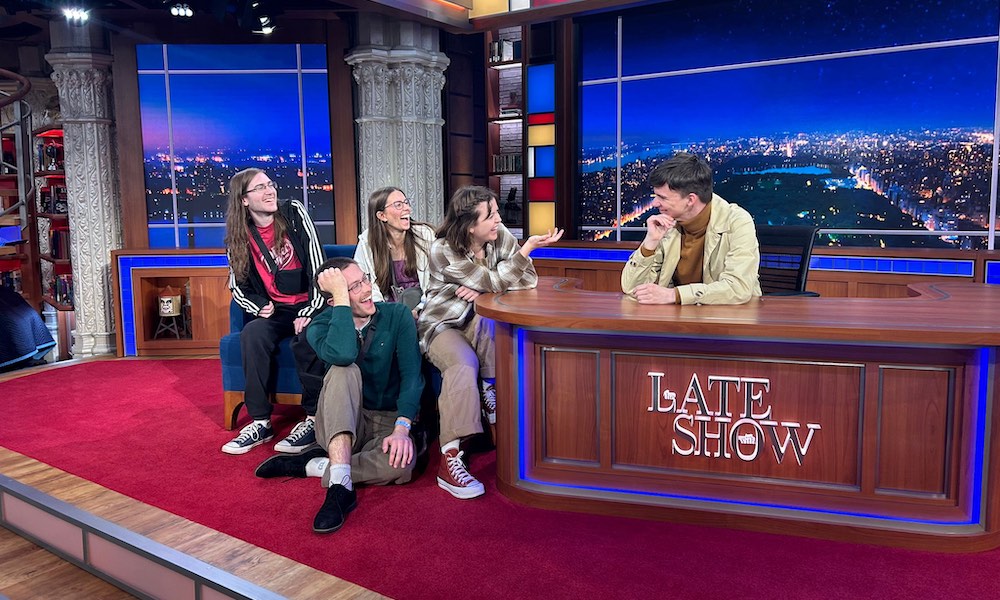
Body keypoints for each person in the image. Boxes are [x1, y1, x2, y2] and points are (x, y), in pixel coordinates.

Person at [254, 257, 423, 534]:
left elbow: (412, 376)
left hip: (386, 420)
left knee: (400, 467)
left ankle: (316, 465)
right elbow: (344, 354)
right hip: (340, 419)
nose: (367, 289)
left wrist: (402, 429)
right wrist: (343, 299)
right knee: (344, 370)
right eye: (354, 287)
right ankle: (340, 487)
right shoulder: (320, 326)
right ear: (335, 300)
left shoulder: (397, 315)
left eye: (364, 279)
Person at [417, 185, 563, 499]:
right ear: (470, 225)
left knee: (490, 317)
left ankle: (490, 386)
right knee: (463, 362)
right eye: (490, 215)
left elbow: (529, 280)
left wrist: (486, 289)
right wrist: (518, 258)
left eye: (496, 211)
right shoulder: (442, 249)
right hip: (443, 325)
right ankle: (451, 459)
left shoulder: (498, 235)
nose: (499, 219)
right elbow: (502, 279)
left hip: (479, 320)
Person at [222, 168, 326, 455]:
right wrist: (258, 306)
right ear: (243, 200)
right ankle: (260, 421)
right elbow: (237, 285)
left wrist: (311, 308)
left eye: (270, 185)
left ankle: (313, 419)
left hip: (312, 303)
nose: (270, 191)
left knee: (308, 337)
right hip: (278, 310)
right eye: (260, 188)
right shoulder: (238, 238)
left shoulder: (293, 213)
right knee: (252, 333)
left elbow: (318, 263)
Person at [621, 152, 761, 305]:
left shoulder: (737, 222)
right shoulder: (667, 224)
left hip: (730, 319)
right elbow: (632, 289)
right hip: (677, 319)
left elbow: (738, 289)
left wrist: (674, 295)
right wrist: (650, 242)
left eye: (662, 197)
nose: (655, 204)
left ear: (690, 200)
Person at [353, 186, 435, 317]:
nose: (407, 208)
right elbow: (365, 285)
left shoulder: (425, 235)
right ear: (382, 215)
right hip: (387, 312)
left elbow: (436, 281)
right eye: (398, 205)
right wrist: (385, 313)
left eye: (406, 203)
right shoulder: (367, 243)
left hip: (425, 308)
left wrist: (419, 310)